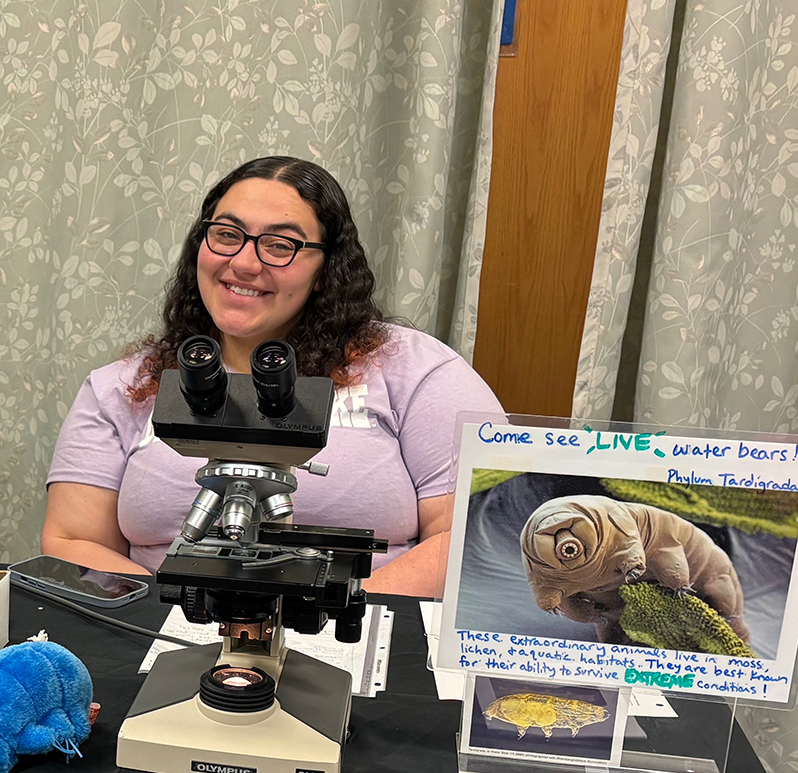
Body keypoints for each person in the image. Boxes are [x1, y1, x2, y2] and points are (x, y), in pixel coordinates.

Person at [43, 156, 504, 597]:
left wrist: (335, 620)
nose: (244, 263)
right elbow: (73, 539)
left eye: (280, 245)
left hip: (361, 627)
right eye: (227, 235)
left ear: (326, 270)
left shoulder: (420, 371)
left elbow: (480, 530)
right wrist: (172, 620)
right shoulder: (123, 387)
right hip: (165, 626)